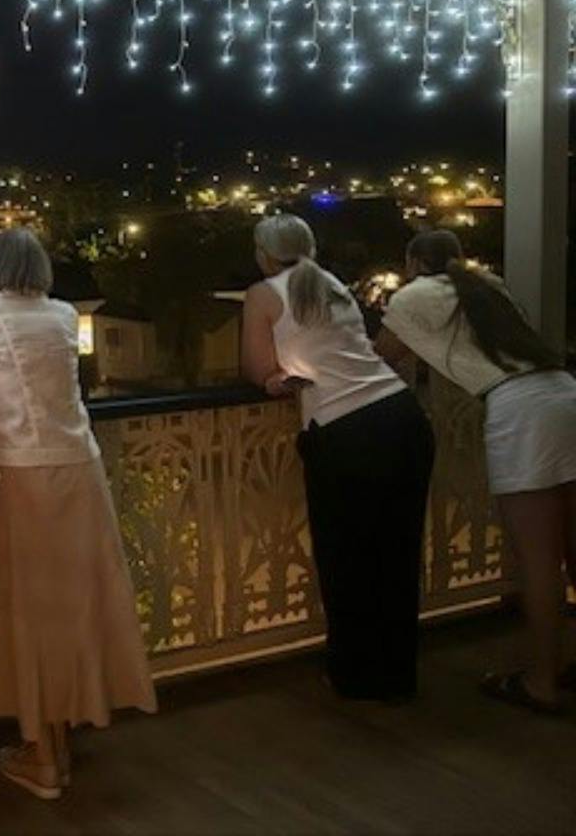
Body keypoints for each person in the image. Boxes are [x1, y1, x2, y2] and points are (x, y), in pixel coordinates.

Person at [0, 228, 155, 801]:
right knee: (77, 599)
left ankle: (43, 754)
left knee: (32, 604)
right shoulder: (64, 315)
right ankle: (58, 738)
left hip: (25, 472)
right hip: (81, 468)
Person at [375, 229, 576, 714]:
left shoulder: (413, 296)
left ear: (414, 261)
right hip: (564, 390)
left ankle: (541, 683)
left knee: (538, 560)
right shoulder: (489, 286)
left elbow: (380, 357)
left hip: (519, 410)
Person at [240, 213, 433, 702]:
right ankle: (395, 674)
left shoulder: (264, 294)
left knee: (346, 559)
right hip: (401, 417)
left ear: (263, 254)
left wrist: (275, 379)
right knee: (396, 555)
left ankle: (354, 675)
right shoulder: (330, 283)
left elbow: (258, 367)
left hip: (346, 432)